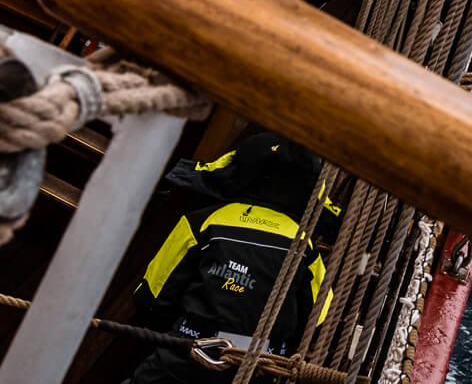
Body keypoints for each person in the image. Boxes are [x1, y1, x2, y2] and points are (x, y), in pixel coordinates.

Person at [127, 133, 340, 383]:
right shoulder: (305, 246)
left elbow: (151, 297)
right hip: (261, 367)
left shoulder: (201, 223)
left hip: (189, 356)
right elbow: (319, 319)